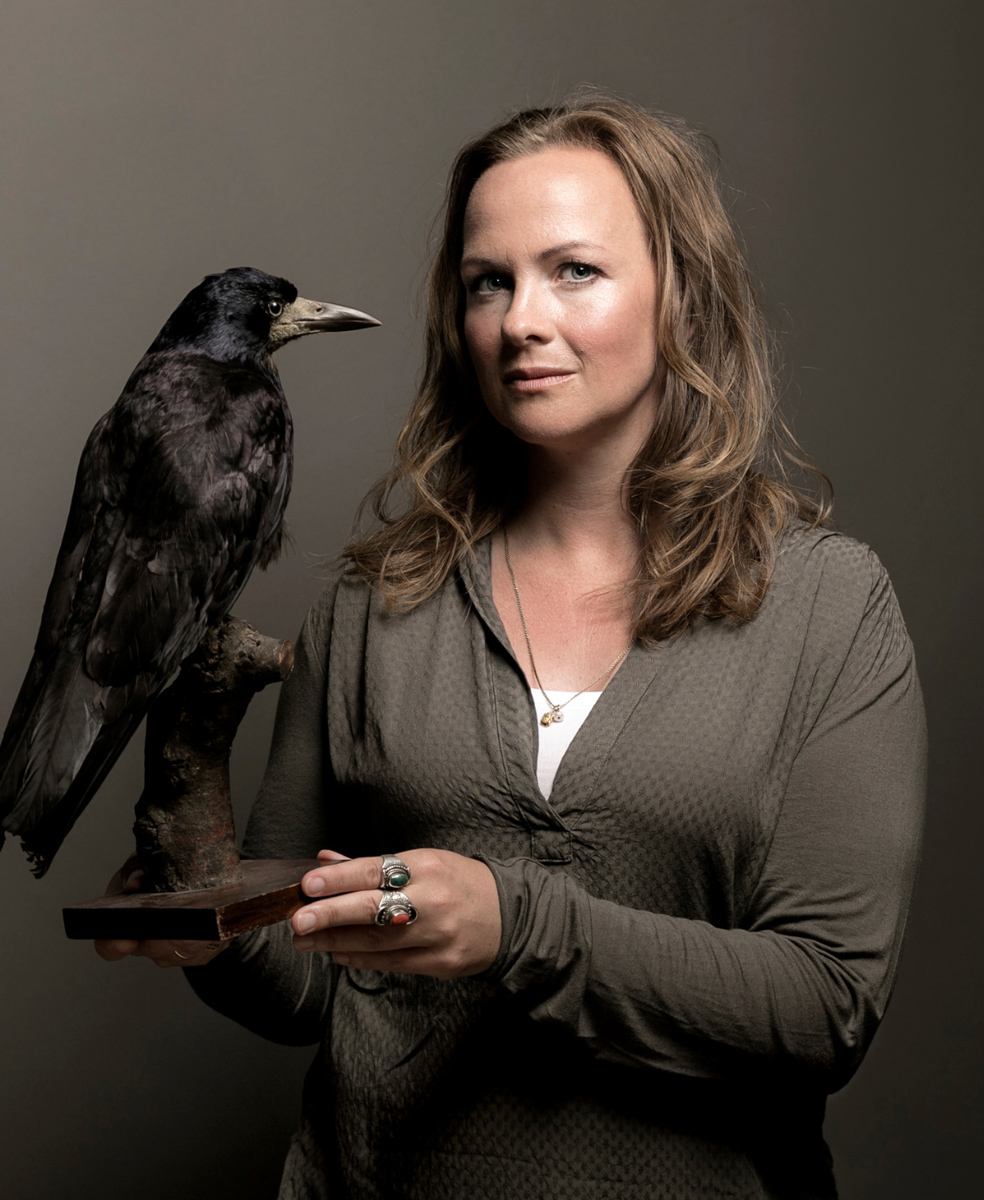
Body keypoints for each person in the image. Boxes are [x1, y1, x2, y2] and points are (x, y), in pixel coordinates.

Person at [98, 91, 926, 1199]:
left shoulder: (830, 609)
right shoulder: (373, 606)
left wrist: (514, 927)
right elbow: (311, 979)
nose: (520, 321)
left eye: (574, 271)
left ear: (682, 293)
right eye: (488, 282)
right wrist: (211, 925)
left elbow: (827, 1011)